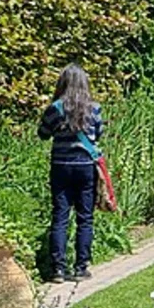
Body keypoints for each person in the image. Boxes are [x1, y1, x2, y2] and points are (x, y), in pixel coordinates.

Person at [36, 63, 104, 282]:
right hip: (85, 166)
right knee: (85, 218)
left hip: (61, 166)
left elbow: (43, 133)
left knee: (60, 216)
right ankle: (81, 267)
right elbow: (98, 134)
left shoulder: (56, 108)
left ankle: (57, 268)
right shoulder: (94, 108)